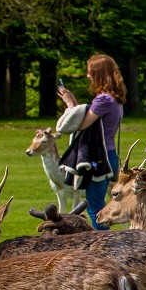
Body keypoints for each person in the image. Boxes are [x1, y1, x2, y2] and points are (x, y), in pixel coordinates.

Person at [57, 54, 126, 230]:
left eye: (90, 72)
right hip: (109, 155)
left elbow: (81, 125)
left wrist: (70, 104)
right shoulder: (115, 99)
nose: (88, 76)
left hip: (99, 158)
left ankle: (103, 245)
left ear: (99, 74)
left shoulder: (104, 99)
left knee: (95, 207)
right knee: (97, 202)